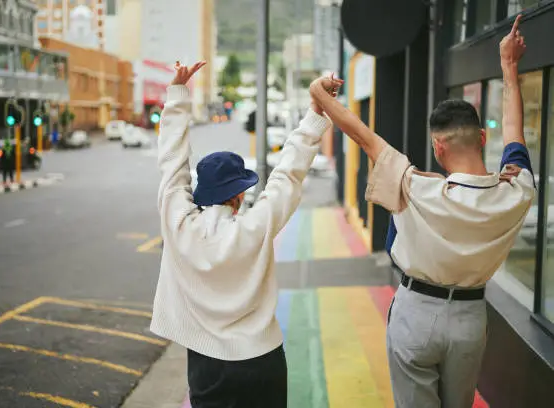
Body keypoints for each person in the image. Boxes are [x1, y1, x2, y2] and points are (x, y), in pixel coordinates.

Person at [309, 14, 534, 408]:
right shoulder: (515, 191)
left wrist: (321, 93)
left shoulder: (416, 187)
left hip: (416, 312)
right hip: (470, 318)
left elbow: (362, 135)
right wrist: (509, 66)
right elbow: (516, 134)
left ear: (438, 147)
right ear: (482, 138)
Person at [149, 60, 336, 408]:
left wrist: (177, 96)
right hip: (262, 359)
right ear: (239, 196)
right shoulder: (255, 226)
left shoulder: (179, 227)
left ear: (203, 193)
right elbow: (288, 175)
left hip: (207, 364)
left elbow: (171, 165)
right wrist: (315, 114)